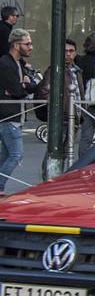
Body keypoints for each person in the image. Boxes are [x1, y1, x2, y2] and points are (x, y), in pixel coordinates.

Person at [0, 27, 38, 191]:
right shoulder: (5, 63)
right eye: (27, 43)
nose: (31, 47)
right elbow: (16, 90)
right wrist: (23, 86)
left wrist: (26, 84)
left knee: (6, 155)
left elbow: (30, 87)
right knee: (16, 155)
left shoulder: (19, 63)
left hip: (15, 115)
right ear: (16, 45)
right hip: (9, 115)